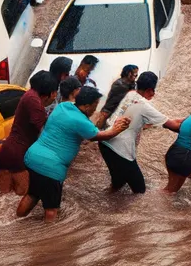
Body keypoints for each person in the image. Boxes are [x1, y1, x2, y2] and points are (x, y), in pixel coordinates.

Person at [17, 87, 130, 222]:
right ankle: (49, 233)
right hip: (50, 168)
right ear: (87, 106)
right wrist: (117, 129)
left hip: (32, 157)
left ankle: (17, 222)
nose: (95, 109)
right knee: (51, 209)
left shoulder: (63, 106)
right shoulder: (81, 121)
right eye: (95, 105)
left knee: (33, 194)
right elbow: (100, 136)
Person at [101, 70, 170, 195]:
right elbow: (171, 124)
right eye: (153, 90)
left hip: (105, 143)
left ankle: (109, 198)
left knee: (118, 182)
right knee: (140, 191)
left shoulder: (130, 94)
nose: (154, 93)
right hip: (121, 150)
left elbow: (138, 120)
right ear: (150, 90)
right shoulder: (144, 105)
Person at [0, 70, 57, 195]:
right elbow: (44, 132)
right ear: (52, 93)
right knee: (25, 197)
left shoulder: (28, 95)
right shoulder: (35, 102)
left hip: (6, 152)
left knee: (3, 197)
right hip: (18, 155)